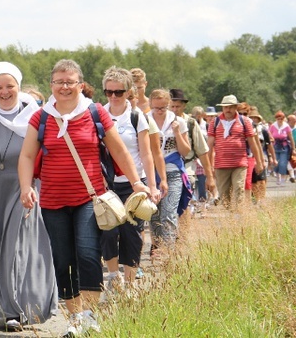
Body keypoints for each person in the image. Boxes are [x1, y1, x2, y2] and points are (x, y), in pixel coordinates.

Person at [17, 59, 150, 338]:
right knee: (63, 258)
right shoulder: (41, 117)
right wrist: (25, 186)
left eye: (70, 81)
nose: (64, 87)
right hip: (53, 201)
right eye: (59, 82)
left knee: (89, 254)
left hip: (90, 198)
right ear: (51, 85)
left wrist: (137, 181)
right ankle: (75, 318)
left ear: (80, 84)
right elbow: (27, 155)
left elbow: (118, 151)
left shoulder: (94, 112)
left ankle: (89, 316)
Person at [0, 62, 58, 331]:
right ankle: (24, 304)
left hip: (26, 189)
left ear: (19, 86)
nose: (4, 91)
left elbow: (50, 151)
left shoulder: (36, 115)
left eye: (10, 86)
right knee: (2, 251)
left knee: (15, 246)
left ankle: (10, 310)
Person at [100, 67, 159, 291]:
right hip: (107, 183)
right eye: (109, 92)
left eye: (119, 92)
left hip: (134, 183)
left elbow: (146, 154)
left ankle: (131, 282)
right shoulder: (98, 115)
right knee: (108, 231)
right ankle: (114, 276)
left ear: (128, 91)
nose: (113, 97)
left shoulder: (137, 117)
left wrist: (151, 186)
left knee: (132, 234)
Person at [148, 89, 191, 252]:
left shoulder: (178, 121)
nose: (159, 111)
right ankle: (158, 248)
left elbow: (186, 151)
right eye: (156, 108)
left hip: (173, 171)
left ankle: (169, 251)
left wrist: (176, 133)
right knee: (154, 214)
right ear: (151, 104)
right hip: (152, 173)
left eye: (163, 108)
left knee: (169, 212)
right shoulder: (145, 120)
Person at [207, 95, 264, 209]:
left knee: (239, 189)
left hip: (240, 163)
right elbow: (209, 145)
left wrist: (259, 161)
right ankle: (231, 216)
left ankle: (239, 217)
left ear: (235, 107)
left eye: (231, 107)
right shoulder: (215, 122)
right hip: (221, 164)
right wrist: (208, 166)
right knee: (224, 195)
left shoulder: (245, 121)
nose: (228, 110)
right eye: (225, 107)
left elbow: (253, 143)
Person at [168, 89, 216, 208]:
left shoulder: (190, 123)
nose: (174, 110)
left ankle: (185, 225)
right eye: (172, 106)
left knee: (185, 205)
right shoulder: (160, 122)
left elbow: (202, 151)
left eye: (177, 106)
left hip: (186, 168)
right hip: (165, 169)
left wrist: (209, 177)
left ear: (184, 106)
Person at [250, 106, 275, 202]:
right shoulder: (246, 128)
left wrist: (272, 157)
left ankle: (261, 199)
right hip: (250, 155)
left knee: (261, 179)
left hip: (262, 154)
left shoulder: (263, 130)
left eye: (255, 118)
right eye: (251, 117)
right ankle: (254, 198)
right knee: (253, 180)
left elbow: (269, 145)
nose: (253, 119)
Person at [269, 110, 295, 186]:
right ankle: (278, 177)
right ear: (276, 119)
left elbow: (291, 138)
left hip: (284, 147)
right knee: (276, 162)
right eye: (278, 118)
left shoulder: (286, 126)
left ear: (283, 119)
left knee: (283, 163)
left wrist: (293, 149)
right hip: (275, 146)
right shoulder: (273, 126)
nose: (280, 120)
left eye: (281, 118)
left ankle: (283, 178)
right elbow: (269, 136)